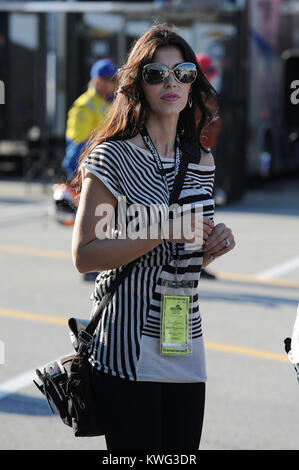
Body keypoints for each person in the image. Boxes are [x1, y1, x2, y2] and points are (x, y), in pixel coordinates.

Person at [70, 25, 235, 451]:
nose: (171, 83)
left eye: (181, 73)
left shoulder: (202, 160)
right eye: (156, 73)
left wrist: (212, 248)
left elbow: (184, 256)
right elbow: (86, 255)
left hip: (186, 346)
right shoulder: (113, 156)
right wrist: (163, 228)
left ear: (193, 82)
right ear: (137, 83)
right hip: (126, 349)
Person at [62, 58, 118, 180]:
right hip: (93, 173)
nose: (116, 83)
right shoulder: (84, 106)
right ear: (98, 81)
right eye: (112, 79)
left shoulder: (112, 102)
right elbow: (77, 148)